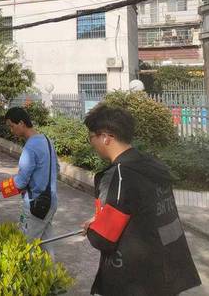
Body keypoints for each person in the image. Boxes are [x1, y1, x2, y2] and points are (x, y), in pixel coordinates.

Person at [81, 104, 200, 296]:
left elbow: (104, 239)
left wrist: (92, 228)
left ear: (105, 137)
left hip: (135, 280)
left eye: (91, 137)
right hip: (167, 273)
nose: (91, 143)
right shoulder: (153, 166)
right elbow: (145, 212)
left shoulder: (121, 175)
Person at [0, 107, 59, 259]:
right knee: (46, 244)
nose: (11, 130)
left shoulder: (30, 147)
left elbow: (20, 182)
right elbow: (56, 168)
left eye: (12, 126)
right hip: (50, 201)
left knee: (26, 247)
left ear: (21, 123)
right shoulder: (47, 140)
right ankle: (50, 273)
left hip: (35, 205)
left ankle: (28, 273)